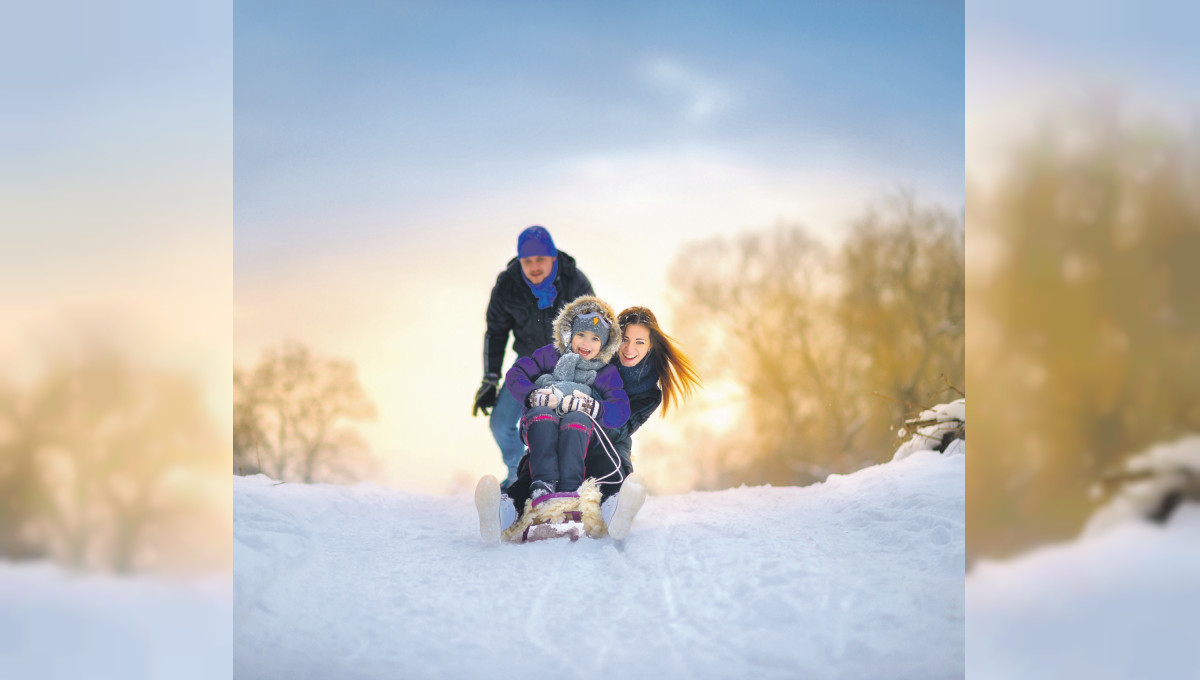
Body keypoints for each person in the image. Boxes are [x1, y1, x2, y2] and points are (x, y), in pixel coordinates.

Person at [475, 305, 701, 542]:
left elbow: (621, 427)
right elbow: (529, 370)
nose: (629, 348)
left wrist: (590, 410)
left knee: (606, 474)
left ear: (651, 345)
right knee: (535, 468)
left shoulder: (646, 391)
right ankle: (502, 511)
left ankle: (616, 512)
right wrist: (540, 401)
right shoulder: (595, 356)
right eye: (624, 339)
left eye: (640, 342)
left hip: (605, 443)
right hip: (564, 429)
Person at [472, 226, 594, 489]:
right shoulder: (507, 285)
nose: (534, 267)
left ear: (552, 257)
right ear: (520, 261)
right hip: (528, 366)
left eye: (540, 259)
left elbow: (594, 328)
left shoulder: (575, 282)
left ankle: (572, 479)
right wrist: (490, 378)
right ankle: (520, 472)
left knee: (560, 423)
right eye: (528, 261)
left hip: (567, 365)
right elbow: (496, 333)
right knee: (500, 424)